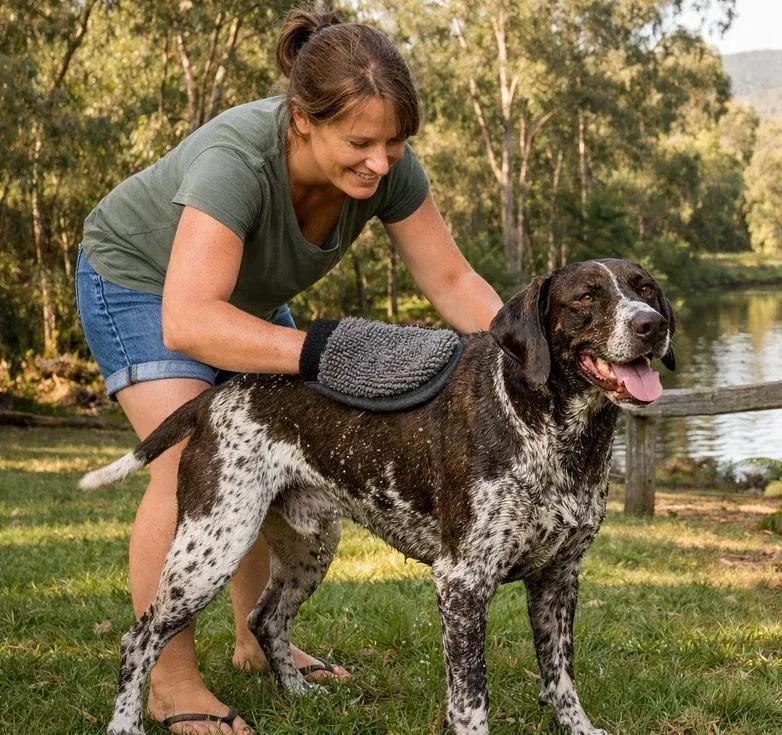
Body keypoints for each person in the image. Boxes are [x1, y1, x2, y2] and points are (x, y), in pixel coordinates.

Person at [75, 6, 502, 734]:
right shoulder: (238, 158)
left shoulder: (390, 166)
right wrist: (324, 352)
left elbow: (455, 282)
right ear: (302, 118)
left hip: (240, 296)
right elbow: (189, 317)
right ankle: (172, 686)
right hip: (143, 284)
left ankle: (255, 639)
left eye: (395, 143)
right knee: (186, 461)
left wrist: (526, 361)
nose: (380, 160)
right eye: (360, 142)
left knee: (266, 451)